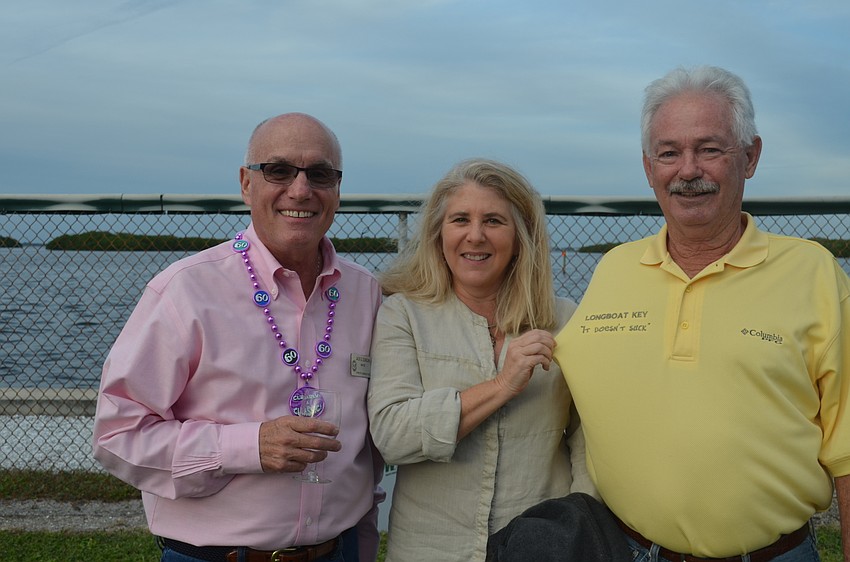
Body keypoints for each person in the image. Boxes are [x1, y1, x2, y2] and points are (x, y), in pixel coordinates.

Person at [555, 65, 850, 561]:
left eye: (710, 149)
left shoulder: (814, 274)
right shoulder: (613, 270)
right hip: (630, 550)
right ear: (649, 168)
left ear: (751, 156)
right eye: (668, 153)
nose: (687, 170)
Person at [92, 113, 384, 562]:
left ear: (338, 190)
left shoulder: (367, 293)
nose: (301, 190)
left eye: (320, 174)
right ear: (247, 183)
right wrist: (249, 446)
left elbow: (366, 452)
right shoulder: (185, 291)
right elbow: (118, 434)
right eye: (279, 170)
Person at [367, 158, 596, 562]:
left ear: (521, 235)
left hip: (542, 547)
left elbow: (587, 441)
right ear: (438, 233)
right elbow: (392, 436)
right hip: (428, 549)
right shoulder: (402, 313)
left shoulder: (565, 318)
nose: (475, 236)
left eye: (493, 220)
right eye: (460, 220)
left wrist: (580, 524)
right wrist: (502, 385)